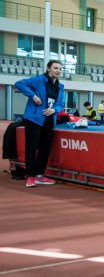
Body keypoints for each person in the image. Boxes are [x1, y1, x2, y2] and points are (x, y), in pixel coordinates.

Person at [14, 59, 65, 188]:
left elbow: (60, 104)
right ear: (48, 68)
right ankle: (30, 176)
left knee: (45, 149)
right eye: (55, 68)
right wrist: (33, 96)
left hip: (49, 120)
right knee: (31, 148)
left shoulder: (60, 87)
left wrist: (54, 110)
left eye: (60, 69)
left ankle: (39, 175)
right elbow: (19, 84)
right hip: (34, 119)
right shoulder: (38, 80)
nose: (58, 70)